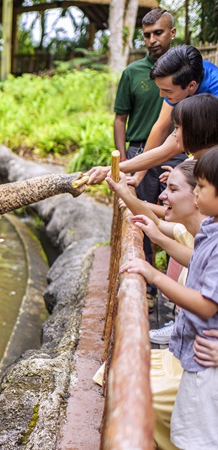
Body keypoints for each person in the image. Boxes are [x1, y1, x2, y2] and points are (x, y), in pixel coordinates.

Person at [120, 148, 218, 449]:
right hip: (195, 354)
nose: (197, 193)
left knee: (196, 439)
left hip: (206, 361)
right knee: (185, 433)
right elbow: (194, 259)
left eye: (202, 187)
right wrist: (158, 238)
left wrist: (154, 275)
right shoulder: (210, 229)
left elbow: (207, 304)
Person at [113, 8, 179, 310]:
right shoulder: (132, 72)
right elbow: (120, 119)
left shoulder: (187, 70)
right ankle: (149, 287)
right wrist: (124, 159)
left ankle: (179, 285)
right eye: (147, 35)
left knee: (178, 214)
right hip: (140, 151)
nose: (152, 40)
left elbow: (168, 126)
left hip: (176, 152)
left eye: (158, 33)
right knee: (141, 216)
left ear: (172, 33)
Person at [87, 46, 218, 185]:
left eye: (167, 91)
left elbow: (172, 147)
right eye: (160, 89)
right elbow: (161, 128)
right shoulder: (183, 76)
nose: (161, 95)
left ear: (191, 86)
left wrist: (112, 169)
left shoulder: (213, 94)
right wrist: (138, 176)